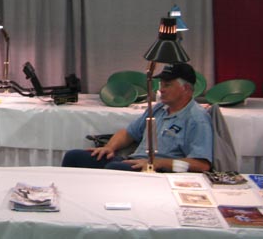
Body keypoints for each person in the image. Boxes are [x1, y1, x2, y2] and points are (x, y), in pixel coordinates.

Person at [62, 63, 213, 172]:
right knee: (74, 157)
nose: (161, 90)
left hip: (161, 171)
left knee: (115, 168)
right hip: (135, 161)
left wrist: (159, 163)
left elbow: (201, 164)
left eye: (167, 85)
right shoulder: (158, 108)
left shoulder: (197, 119)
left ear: (185, 88)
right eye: (161, 85)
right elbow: (128, 133)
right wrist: (109, 147)